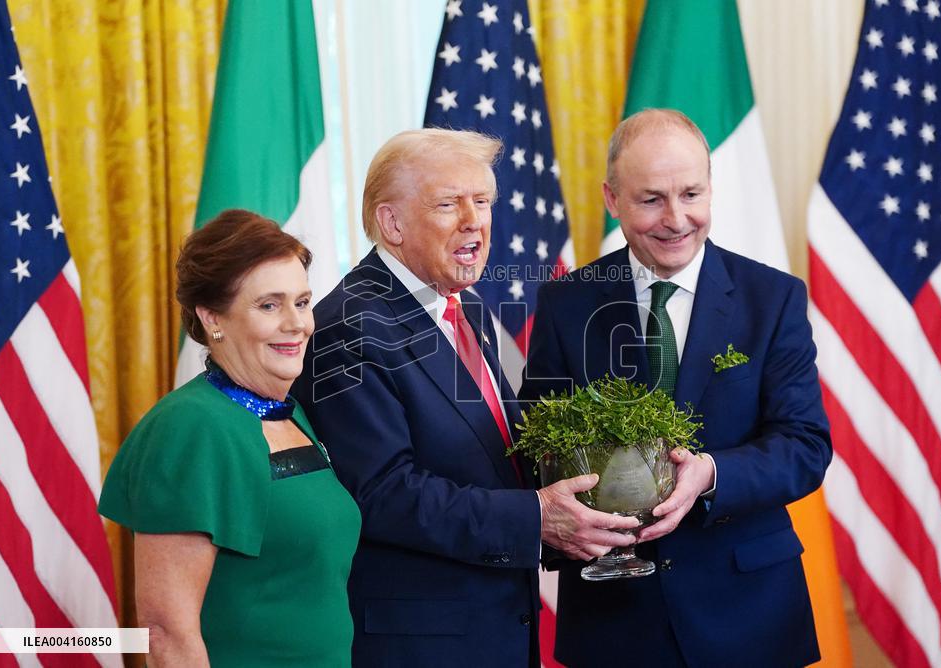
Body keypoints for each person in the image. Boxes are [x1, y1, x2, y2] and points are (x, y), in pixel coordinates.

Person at [292, 128, 639, 667]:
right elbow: (382, 493)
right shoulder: (349, 326)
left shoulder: (463, 307)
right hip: (422, 642)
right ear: (392, 223)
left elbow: (491, 458)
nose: (474, 220)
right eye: (449, 204)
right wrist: (534, 518)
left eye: (482, 201)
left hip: (491, 626)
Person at [519, 109, 832, 667]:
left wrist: (711, 473)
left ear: (711, 188)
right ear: (612, 200)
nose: (676, 218)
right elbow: (538, 448)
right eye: (651, 199)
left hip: (749, 615)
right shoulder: (566, 304)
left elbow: (805, 446)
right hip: (615, 622)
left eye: (691, 194)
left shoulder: (773, 297)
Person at [98, 209, 360, 667]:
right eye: (269, 305)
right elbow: (165, 632)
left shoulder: (290, 413)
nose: (297, 324)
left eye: (302, 302)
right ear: (212, 317)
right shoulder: (191, 427)